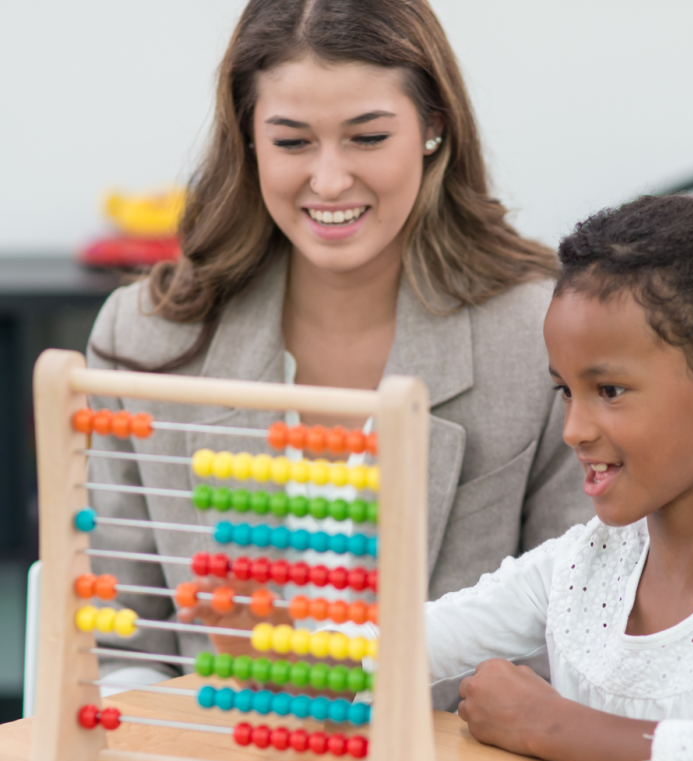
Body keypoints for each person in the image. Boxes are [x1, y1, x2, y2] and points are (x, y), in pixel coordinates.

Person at [86, 0, 592, 691]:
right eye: (293, 142)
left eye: (366, 138)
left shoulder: (536, 338)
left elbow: (578, 643)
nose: (328, 181)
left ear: (432, 128)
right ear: (249, 138)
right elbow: (120, 643)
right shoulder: (142, 337)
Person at [426, 187, 693, 761]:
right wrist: (277, 636)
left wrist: (542, 722)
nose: (574, 429)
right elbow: (405, 642)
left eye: (611, 391)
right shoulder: (581, 567)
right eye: (565, 392)